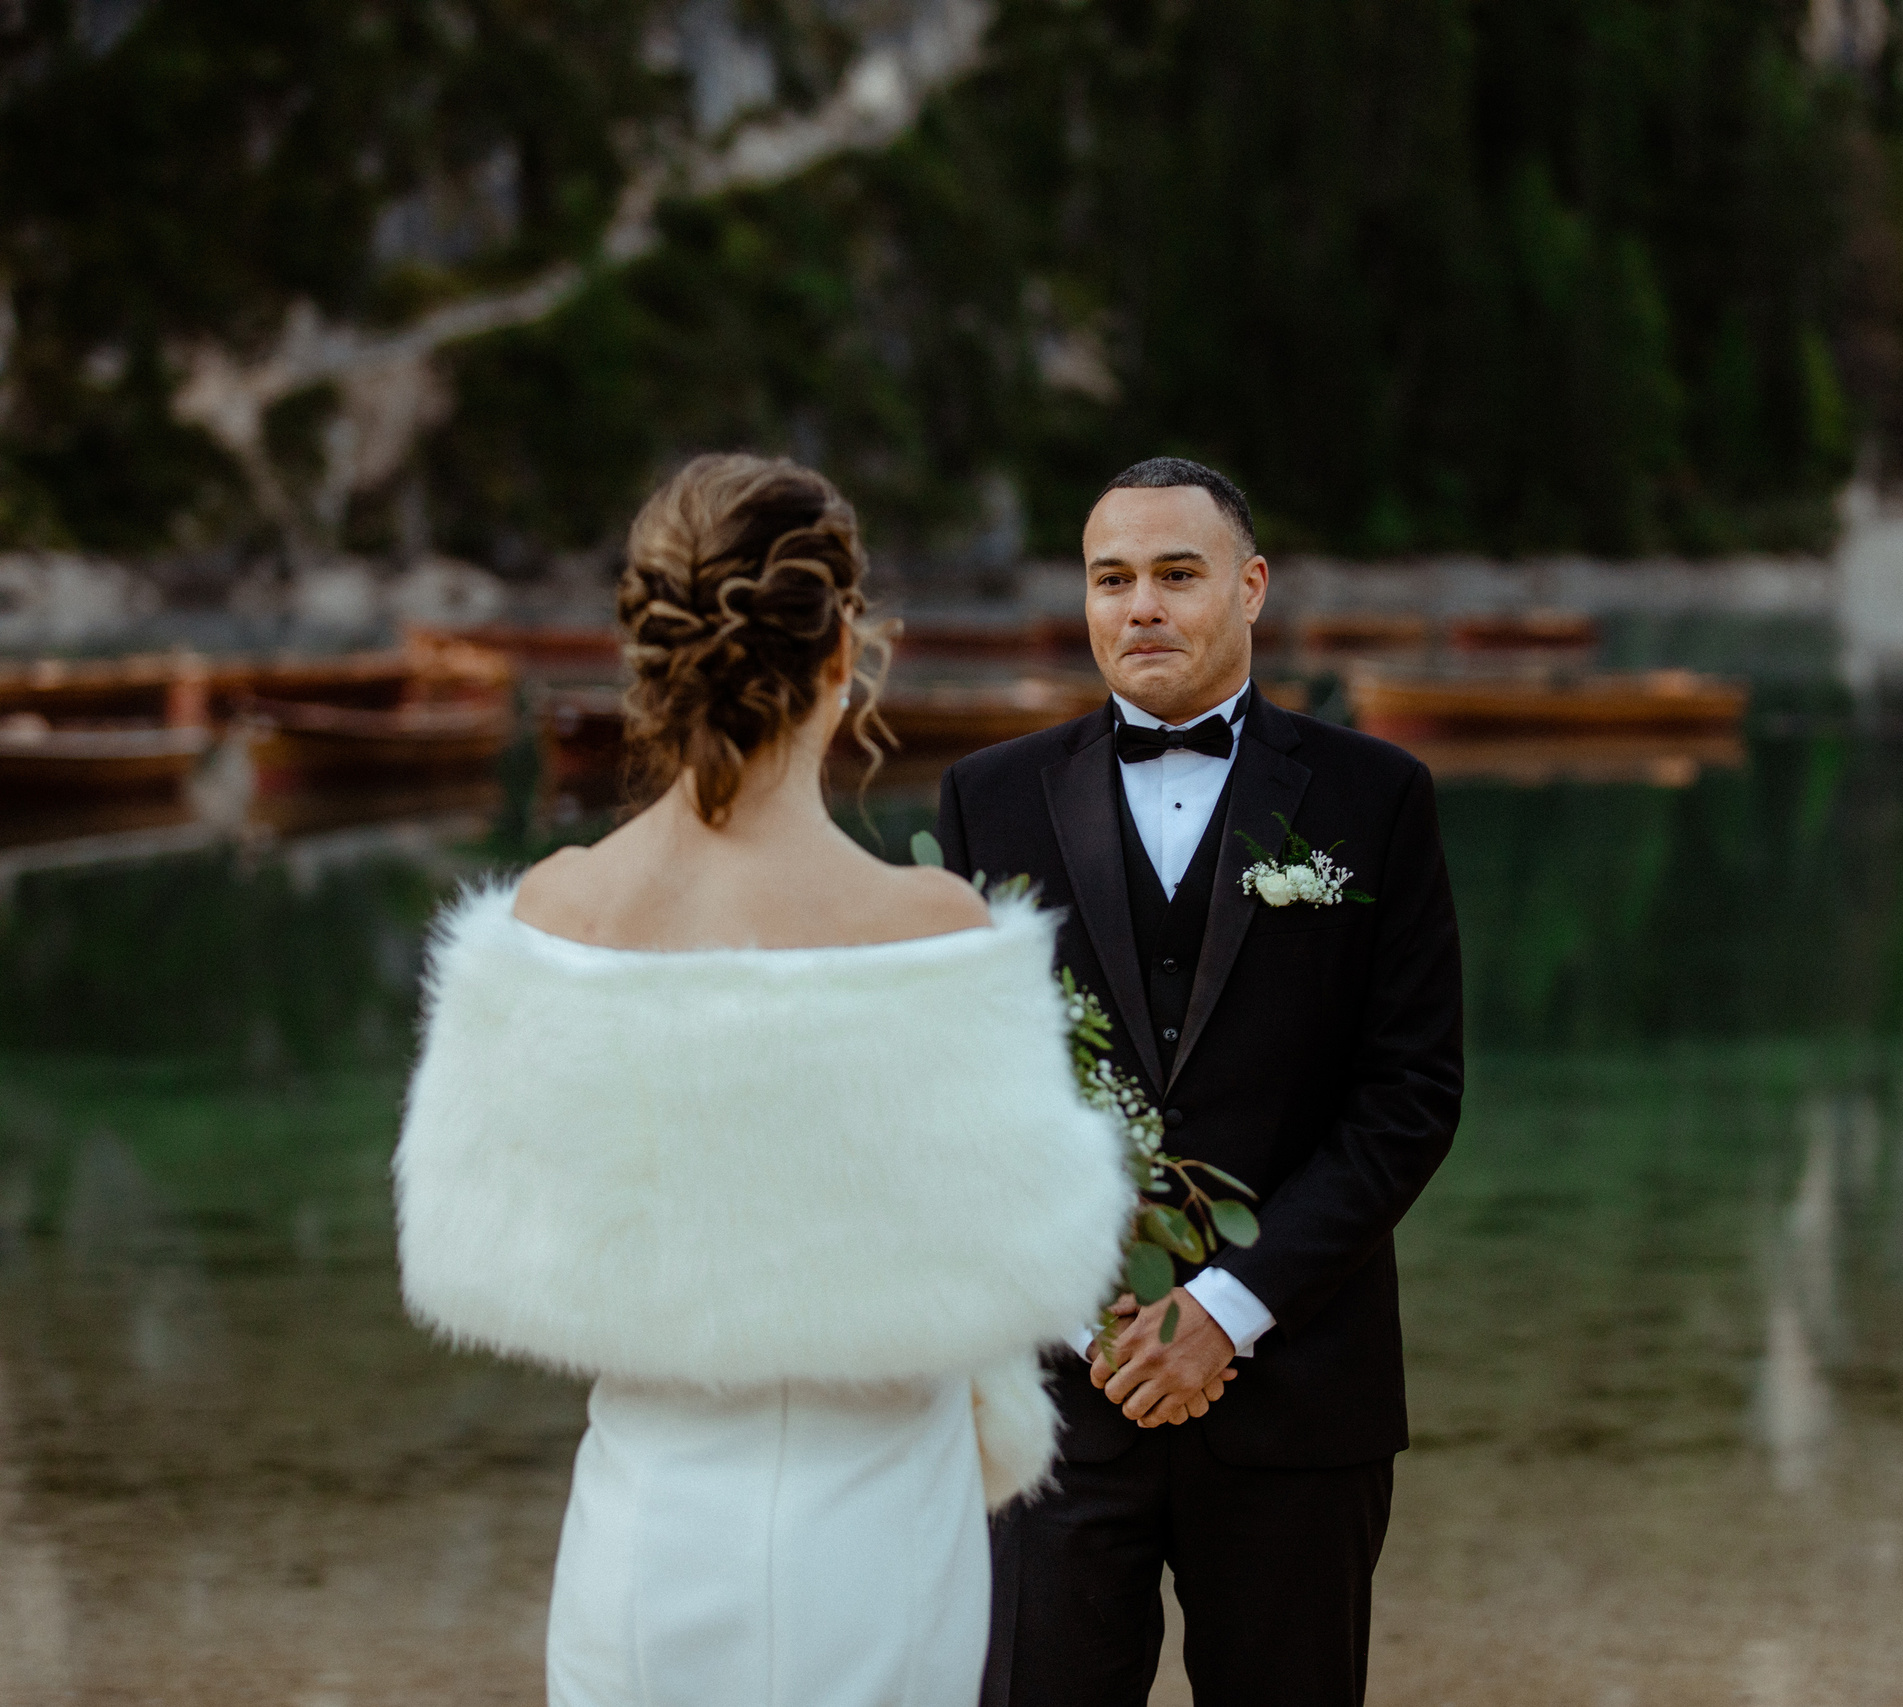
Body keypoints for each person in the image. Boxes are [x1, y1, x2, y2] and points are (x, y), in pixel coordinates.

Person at [393, 454, 1135, 1707]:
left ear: (651, 655)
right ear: (845, 647)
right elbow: (1040, 1264)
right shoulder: (929, 930)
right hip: (879, 1535)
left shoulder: (555, 911)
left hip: (641, 1532)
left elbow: (489, 1233)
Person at [936, 457, 1466, 1707]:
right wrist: (1087, 1312)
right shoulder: (986, 799)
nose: (1142, 608)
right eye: (1111, 579)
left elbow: (1411, 1094)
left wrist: (1229, 1306)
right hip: (1061, 1403)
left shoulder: (1374, 797)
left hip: (1301, 1400)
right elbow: (957, 1104)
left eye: (1177, 574)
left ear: (1251, 586)